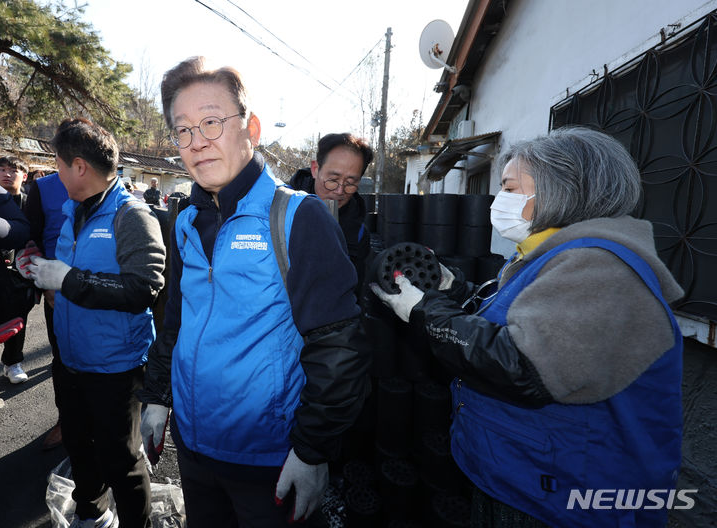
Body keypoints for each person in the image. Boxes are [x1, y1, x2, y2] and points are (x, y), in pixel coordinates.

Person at [371, 127, 684, 528]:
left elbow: (522, 364)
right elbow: (523, 323)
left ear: (561, 188)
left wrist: (427, 311)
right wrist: (459, 292)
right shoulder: (555, 257)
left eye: (510, 187)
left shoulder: (601, 267)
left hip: (562, 505)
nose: (499, 199)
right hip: (525, 482)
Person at [138, 56, 369, 527]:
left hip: (269, 459)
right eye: (182, 130)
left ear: (252, 128)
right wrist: (159, 395)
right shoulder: (183, 220)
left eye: (211, 122)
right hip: (195, 448)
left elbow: (340, 349)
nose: (196, 142)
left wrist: (311, 450)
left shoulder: (298, 218)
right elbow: (176, 318)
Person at [26, 118, 166, 528]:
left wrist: (67, 279)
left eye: (58, 164)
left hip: (117, 369)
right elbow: (73, 274)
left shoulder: (132, 216)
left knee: (120, 459)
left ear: (79, 166)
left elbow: (144, 288)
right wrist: (36, 271)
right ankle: (94, 513)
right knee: (79, 446)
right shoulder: (73, 211)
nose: (55, 172)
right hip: (71, 359)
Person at [18, 171, 69, 449]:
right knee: (62, 358)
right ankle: (65, 420)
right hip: (56, 292)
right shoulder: (43, 187)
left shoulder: (110, 184)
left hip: (100, 291)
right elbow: (32, 239)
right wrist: (44, 284)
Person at [290, 133, 373, 294]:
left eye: (350, 183)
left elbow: (353, 293)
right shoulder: (279, 212)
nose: (340, 191)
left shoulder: (358, 234)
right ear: (315, 169)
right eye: (333, 180)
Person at [0, 156, 34, 383]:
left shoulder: (31, 203)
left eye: (13, 170)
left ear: (24, 176)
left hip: (20, 272)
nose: (6, 174)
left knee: (17, 318)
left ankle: (13, 362)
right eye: (1, 169)